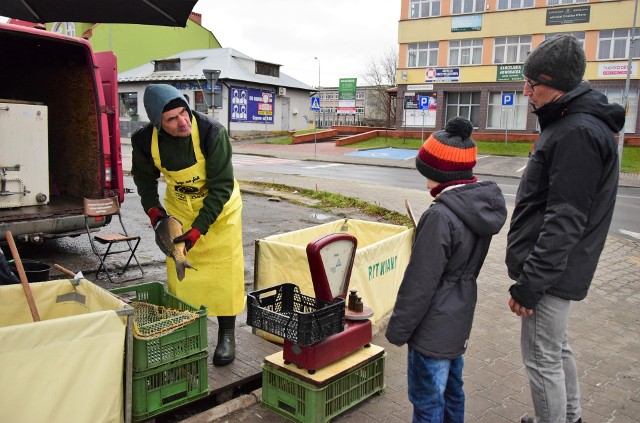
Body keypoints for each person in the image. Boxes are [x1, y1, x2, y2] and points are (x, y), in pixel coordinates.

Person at [505, 35, 626, 423]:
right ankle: (568, 416)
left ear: (556, 85)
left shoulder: (577, 133)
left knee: (542, 360)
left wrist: (531, 283)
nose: (526, 91)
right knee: (556, 349)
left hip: (551, 274)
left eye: (532, 84)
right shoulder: (569, 123)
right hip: (556, 270)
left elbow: (565, 219)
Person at [385, 117, 507, 423]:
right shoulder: (477, 208)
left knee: (427, 402)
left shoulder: (440, 216)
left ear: (440, 174)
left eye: (427, 174)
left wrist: (398, 329)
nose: (424, 182)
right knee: (453, 392)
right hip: (459, 317)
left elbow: (421, 282)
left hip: (432, 328)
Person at [131, 84, 245, 366]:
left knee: (225, 274)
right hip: (181, 207)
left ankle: (227, 335)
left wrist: (199, 229)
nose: (183, 122)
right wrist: (155, 213)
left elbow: (221, 186)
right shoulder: (145, 141)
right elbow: (144, 180)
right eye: (172, 119)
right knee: (181, 277)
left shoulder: (211, 132)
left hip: (220, 212)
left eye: (184, 112)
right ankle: (186, 333)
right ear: (159, 124)